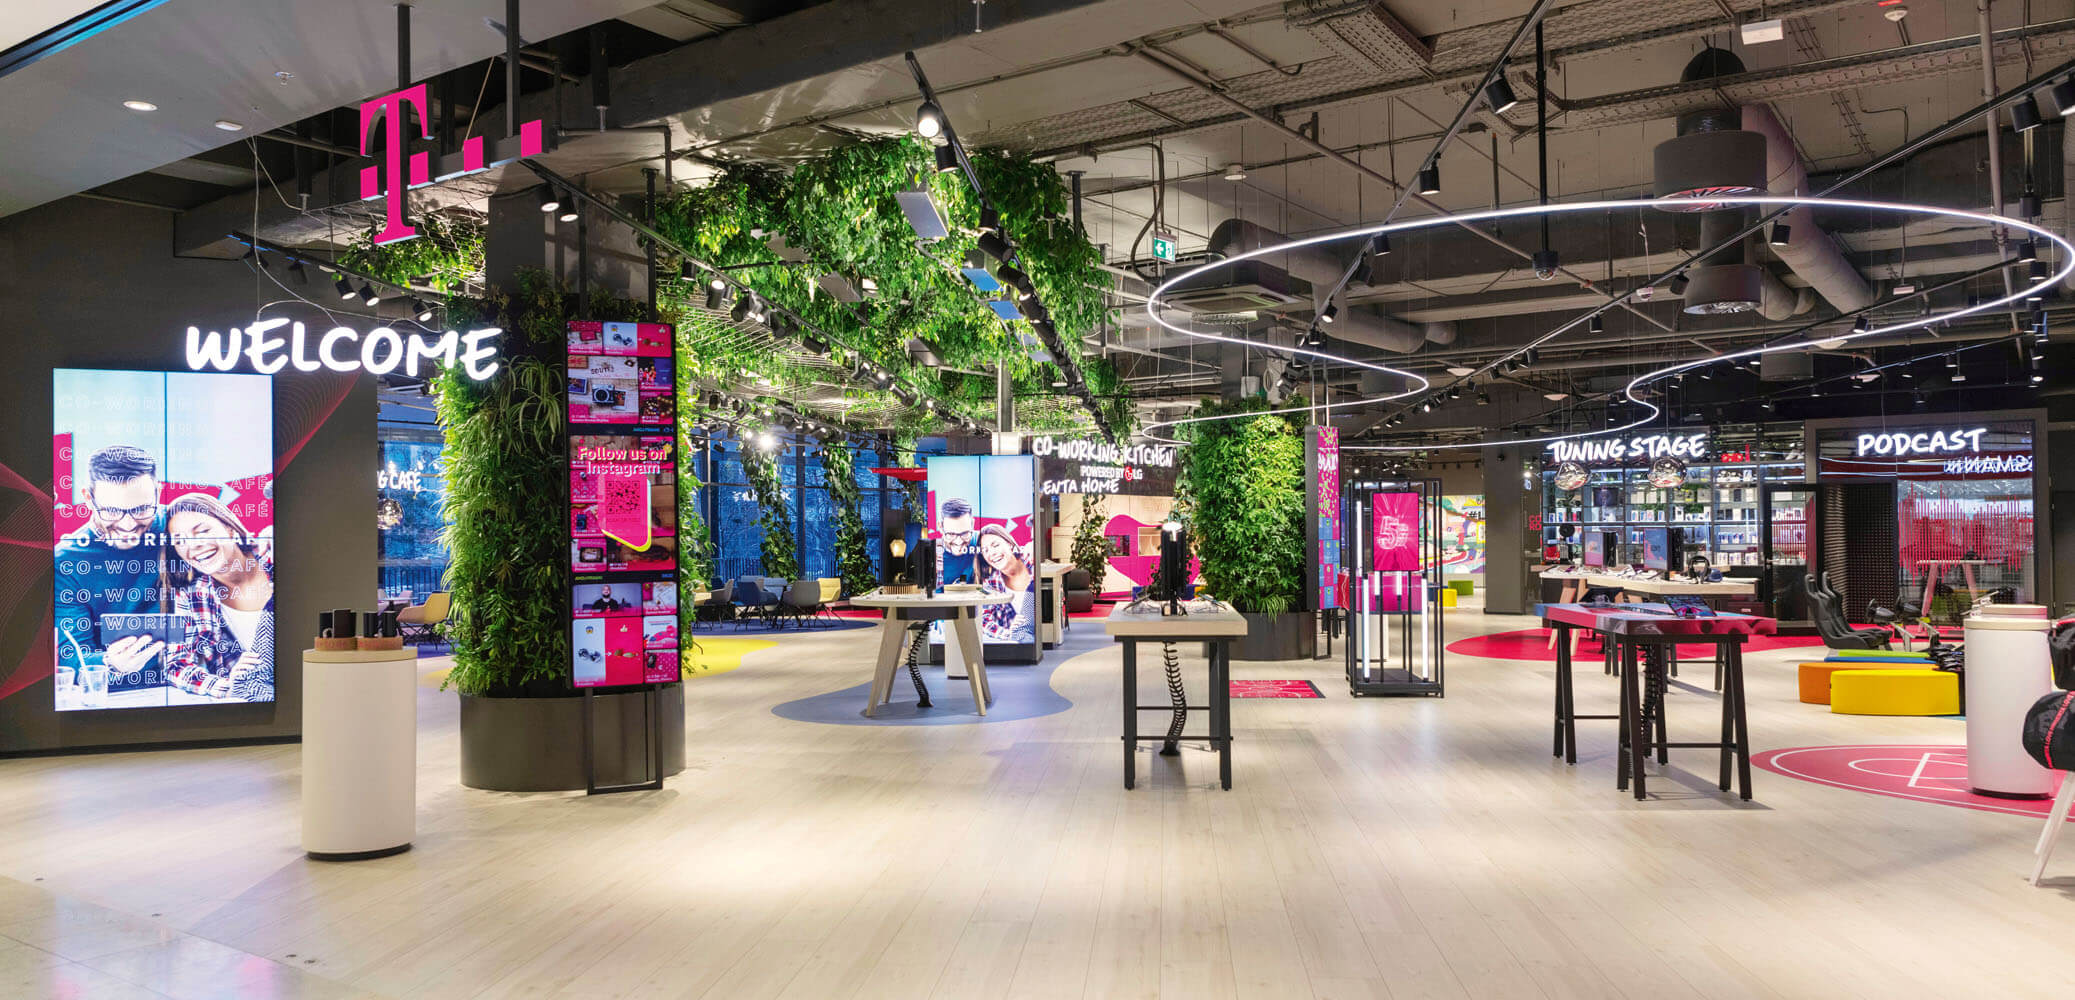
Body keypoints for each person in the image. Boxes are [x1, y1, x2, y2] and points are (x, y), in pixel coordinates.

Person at [54, 445, 170, 683]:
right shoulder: (66, 561)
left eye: (141, 509)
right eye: (112, 511)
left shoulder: (183, 528)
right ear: (88, 498)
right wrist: (109, 663)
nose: (128, 525)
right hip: (113, 698)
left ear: (158, 493)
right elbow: (70, 657)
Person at [153, 493, 275, 702]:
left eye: (202, 531)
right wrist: (226, 686)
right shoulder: (192, 595)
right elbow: (176, 665)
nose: (194, 546)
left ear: (230, 528)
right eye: (180, 541)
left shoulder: (272, 554)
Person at [975, 524, 1035, 642]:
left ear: (1009, 543)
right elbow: (983, 619)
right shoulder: (991, 583)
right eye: (985, 550)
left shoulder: (1031, 558)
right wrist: (1008, 633)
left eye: (995, 545)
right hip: (1022, 640)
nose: (991, 553)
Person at [936, 498, 977, 585]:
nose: (959, 542)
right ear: (940, 527)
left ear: (972, 524)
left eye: (965, 533)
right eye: (951, 534)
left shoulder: (984, 541)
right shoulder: (933, 556)